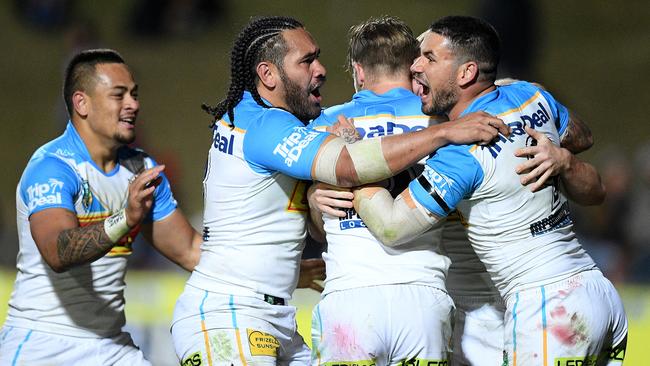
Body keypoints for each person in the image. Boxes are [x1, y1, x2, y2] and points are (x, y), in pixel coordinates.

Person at [170, 15, 509, 366]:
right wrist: (444, 133)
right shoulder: (267, 125)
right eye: (306, 61)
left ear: (359, 71)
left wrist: (314, 198)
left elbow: (320, 219)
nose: (321, 69)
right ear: (267, 75)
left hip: (285, 315)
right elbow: (348, 165)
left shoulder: (300, 122)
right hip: (233, 315)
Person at [353, 16, 627, 366]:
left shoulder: (462, 152)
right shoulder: (530, 96)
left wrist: (356, 168)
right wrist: (561, 156)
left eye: (429, 58)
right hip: (598, 293)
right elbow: (583, 137)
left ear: (466, 73)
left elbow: (392, 227)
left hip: (545, 307)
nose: (415, 66)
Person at [0, 49, 202, 365]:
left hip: (111, 347)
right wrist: (126, 217)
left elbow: (191, 250)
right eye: (118, 95)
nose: (133, 104)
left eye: (134, 94)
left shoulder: (139, 169)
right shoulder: (51, 168)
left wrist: (280, 274)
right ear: (82, 103)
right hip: (41, 345)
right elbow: (59, 252)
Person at [306, 16, 453, 365]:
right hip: (422, 295)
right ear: (414, 66)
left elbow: (317, 230)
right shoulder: (440, 122)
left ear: (358, 70)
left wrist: (314, 195)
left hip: (350, 296)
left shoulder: (323, 124)